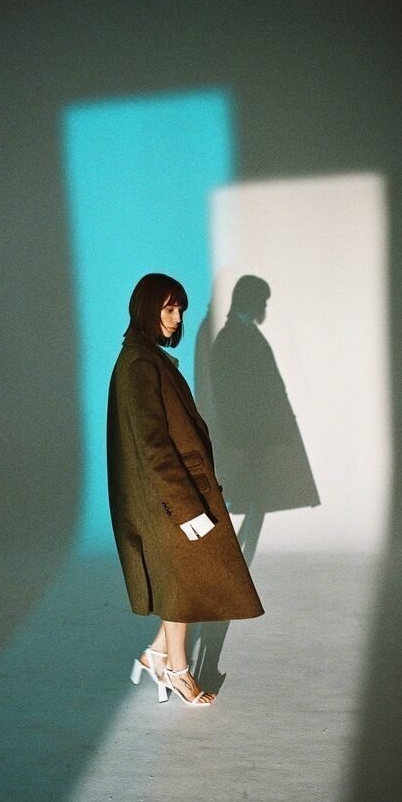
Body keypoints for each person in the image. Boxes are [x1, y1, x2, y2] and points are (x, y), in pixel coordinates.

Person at [107, 273, 264, 706]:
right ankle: (177, 671)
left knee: (186, 579)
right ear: (147, 308)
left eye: (180, 310)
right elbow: (153, 445)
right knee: (183, 583)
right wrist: (185, 506)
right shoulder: (139, 363)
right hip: (165, 498)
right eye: (169, 308)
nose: (177, 319)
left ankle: (156, 655)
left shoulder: (146, 358)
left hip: (166, 494)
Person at [210, 275, 320, 561]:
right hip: (250, 437)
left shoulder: (241, 335)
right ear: (250, 301)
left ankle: (238, 559)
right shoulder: (234, 338)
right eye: (262, 301)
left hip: (257, 435)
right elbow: (234, 394)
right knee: (254, 498)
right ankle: (237, 559)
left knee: (256, 498)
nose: (265, 307)